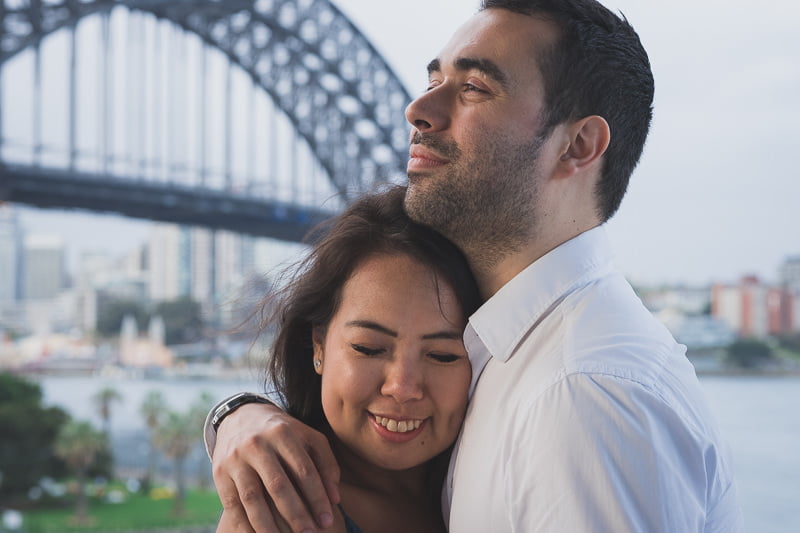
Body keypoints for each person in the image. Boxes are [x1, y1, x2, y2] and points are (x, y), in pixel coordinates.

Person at [206, 1, 745, 531]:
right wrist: (237, 415)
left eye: (473, 88)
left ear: (578, 145)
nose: (417, 109)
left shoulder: (578, 395)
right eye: (435, 78)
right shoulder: (508, 343)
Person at [214, 186, 482, 532]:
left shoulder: (498, 472)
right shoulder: (280, 514)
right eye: (369, 348)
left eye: (441, 355)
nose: (401, 387)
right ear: (319, 345)